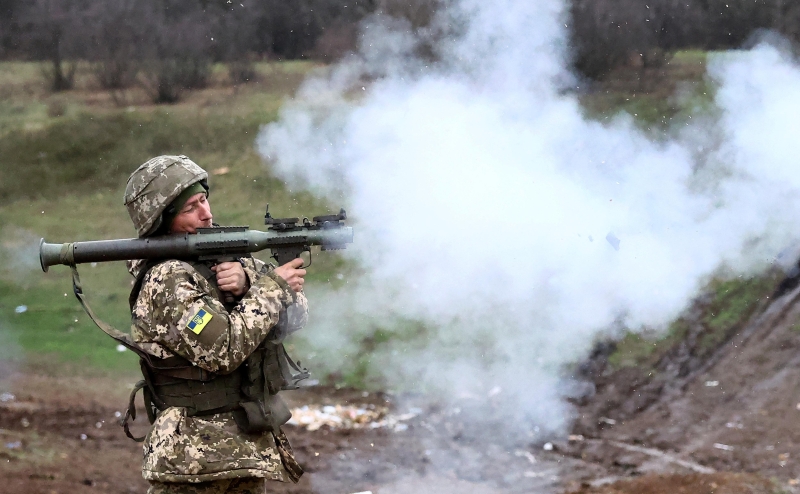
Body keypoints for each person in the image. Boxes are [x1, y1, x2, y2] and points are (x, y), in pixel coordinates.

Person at [122, 155, 309, 494]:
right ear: (162, 220)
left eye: (204, 199)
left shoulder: (219, 254)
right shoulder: (166, 279)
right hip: (194, 461)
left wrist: (250, 282)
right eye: (190, 208)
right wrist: (271, 288)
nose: (206, 213)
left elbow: (295, 318)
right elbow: (222, 350)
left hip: (240, 450)